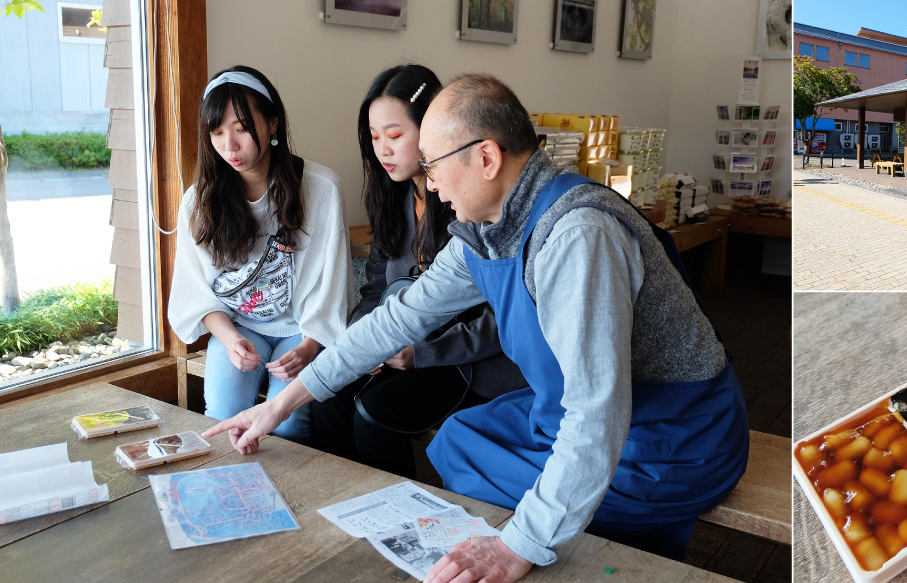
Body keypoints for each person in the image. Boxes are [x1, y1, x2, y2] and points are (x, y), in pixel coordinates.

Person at [204, 74, 748, 583]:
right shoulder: (488, 228)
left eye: (434, 166)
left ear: (487, 157)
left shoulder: (577, 236)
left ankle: (599, 552)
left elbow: (597, 411)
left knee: (521, 513)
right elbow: (398, 319)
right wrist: (280, 405)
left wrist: (519, 547)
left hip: (670, 434)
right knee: (460, 440)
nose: (433, 187)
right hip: (579, 412)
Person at [310, 64, 526, 478]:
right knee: (327, 396)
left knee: (374, 415)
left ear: (432, 133)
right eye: (374, 138)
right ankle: (342, 504)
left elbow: (502, 317)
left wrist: (423, 353)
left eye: (395, 136)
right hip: (399, 344)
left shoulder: (471, 202)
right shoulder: (391, 200)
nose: (383, 150)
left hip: (464, 359)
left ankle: (397, 520)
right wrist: (364, 338)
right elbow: (375, 289)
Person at [170, 65, 352, 443]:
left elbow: (334, 283)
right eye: (217, 132)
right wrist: (230, 339)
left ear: (272, 124)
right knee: (221, 417)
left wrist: (310, 346)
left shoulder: (322, 188)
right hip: (238, 327)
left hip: (301, 329)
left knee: (290, 427)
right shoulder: (198, 201)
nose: (229, 146)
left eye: (240, 128)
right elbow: (196, 292)